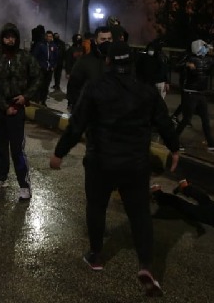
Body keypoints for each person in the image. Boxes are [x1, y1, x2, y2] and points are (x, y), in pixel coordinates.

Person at [49, 41, 181, 298]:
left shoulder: (95, 88)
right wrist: (174, 149)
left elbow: (77, 125)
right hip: (135, 164)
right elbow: (164, 122)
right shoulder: (146, 90)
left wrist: (59, 152)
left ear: (108, 62)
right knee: (140, 215)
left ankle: (96, 255)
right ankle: (145, 265)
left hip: (102, 163)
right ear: (130, 63)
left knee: (96, 208)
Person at [0, 23, 40, 200]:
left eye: (13, 37)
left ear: (16, 38)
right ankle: (1, 177)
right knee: (0, 145)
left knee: (17, 148)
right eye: (6, 37)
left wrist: (25, 97)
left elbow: (37, 78)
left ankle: (24, 185)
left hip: (17, 107)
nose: (10, 40)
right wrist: (3, 106)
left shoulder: (26, 58)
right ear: (2, 38)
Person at [172, 39, 214, 151]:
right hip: (190, 93)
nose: (206, 49)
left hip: (201, 94)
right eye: (204, 47)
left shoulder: (207, 60)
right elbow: (176, 66)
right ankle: (173, 140)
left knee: (205, 119)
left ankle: (211, 142)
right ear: (198, 48)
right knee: (186, 119)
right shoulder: (190, 58)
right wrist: (187, 65)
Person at [66, 26, 112, 111]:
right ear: (95, 40)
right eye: (103, 39)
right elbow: (73, 89)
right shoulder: (84, 62)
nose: (107, 42)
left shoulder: (116, 61)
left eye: (109, 39)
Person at [32, 30, 59, 104]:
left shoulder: (54, 46)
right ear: (45, 37)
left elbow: (56, 57)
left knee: (46, 86)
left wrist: (53, 66)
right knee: (39, 85)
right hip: (41, 69)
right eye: (47, 36)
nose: (49, 38)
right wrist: (38, 66)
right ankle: (37, 100)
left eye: (50, 36)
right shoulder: (40, 45)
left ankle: (43, 101)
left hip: (49, 69)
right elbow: (35, 56)